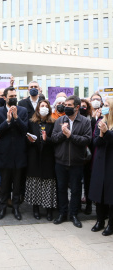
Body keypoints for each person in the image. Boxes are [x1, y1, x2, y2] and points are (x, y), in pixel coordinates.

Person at [51, 95, 92, 228]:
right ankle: (62, 213)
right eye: (65, 105)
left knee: (75, 190)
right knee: (61, 188)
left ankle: (73, 214)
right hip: (61, 161)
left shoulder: (85, 121)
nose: (66, 107)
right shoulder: (60, 120)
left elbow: (87, 140)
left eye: (69, 105)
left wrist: (71, 135)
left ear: (77, 107)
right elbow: (54, 139)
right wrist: (63, 134)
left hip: (77, 162)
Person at [0, 87, 28, 220]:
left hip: (19, 153)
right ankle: (2, 207)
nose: (13, 97)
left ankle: (16, 207)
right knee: (4, 184)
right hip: (5, 153)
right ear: (5, 98)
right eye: (11, 96)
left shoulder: (23, 111)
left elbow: (25, 129)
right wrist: (8, 121)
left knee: (17, 183)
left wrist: (16, 118)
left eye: (15, 95)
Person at [25, 100, 57, 221]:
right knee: (35, 183)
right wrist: (30, 140)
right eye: (41, 106)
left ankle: (49, 210)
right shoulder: (31, 122)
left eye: (46, 106)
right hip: (34, 156)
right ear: (37, 109)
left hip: (48, 157)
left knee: (48, 184)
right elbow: (26, 137)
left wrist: (46, 139)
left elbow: (55, 140)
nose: (44, 108)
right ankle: (36, 209)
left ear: (49, 108)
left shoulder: (53, 122)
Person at [89, 99, 113, 236]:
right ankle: (99, 221)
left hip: (111, 162)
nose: (104, 108)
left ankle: (111, 224)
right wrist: (102, 132)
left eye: (107, 106)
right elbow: (96, 142)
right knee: (99, 193)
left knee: (110, 194)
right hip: (99, 162)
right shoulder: (99, 122)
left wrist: (107, 132)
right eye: (104, 105)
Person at [79, 99, 93, 215]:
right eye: (81, 106)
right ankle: (78, 203)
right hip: (78, 154)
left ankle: (88, 203)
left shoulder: (92, 120)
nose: (82, 108)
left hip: (89, 155)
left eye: (85, 106)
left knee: (88, 181)